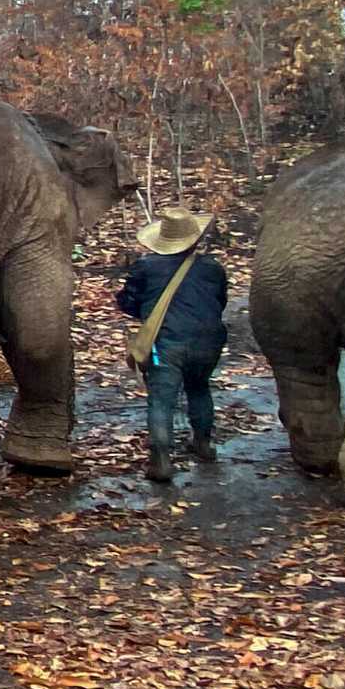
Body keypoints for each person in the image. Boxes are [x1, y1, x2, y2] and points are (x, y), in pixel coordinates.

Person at [118, 206, 229, 483]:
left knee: (161, 398)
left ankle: (161, 460)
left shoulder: (145, 266)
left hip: (165, 343)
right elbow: (220, 302)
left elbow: (128, 302)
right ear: (194, 238)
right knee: (200, 388)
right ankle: (203, 444)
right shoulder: (213, 268)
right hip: (209, 342)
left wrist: (148, 312)